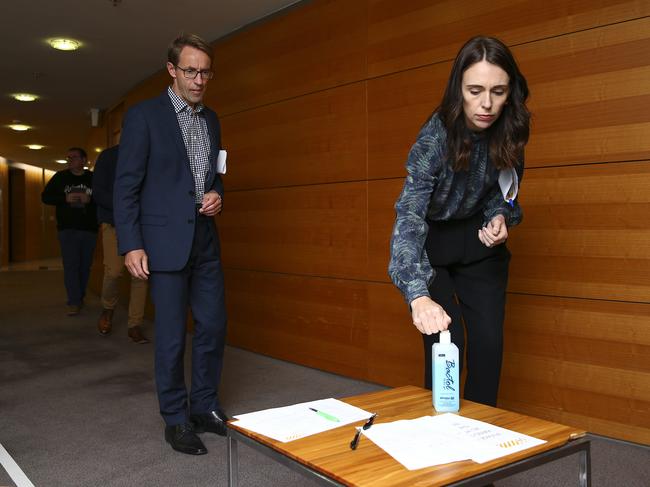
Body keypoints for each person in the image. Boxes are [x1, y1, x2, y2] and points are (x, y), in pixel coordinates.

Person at [388, 36, 530, 407]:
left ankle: (482, 442)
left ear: (509, 92)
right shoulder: (433, 140)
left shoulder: (513, 126)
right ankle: (440, 441)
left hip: (479, 243)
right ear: (458, 90)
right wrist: (417, 295)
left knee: (488, 345)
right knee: (447, 345)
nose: (487, 104)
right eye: (475, 90)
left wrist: (500, 215)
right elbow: (409, 216)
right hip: (432, 242)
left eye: (498, 91)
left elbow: (507, 187)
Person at [114, 33, 228, 456]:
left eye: (205, 72)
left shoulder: (212, 119)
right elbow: (126, 187)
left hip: (205, 238)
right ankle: (176, 419)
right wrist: (131, 243)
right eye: (190, 71)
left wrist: (218, 192)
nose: (199, 80)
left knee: (213, 326)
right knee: (171, 338)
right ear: (171, 70)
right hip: (162, 242)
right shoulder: (145, 117)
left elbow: (214, 172)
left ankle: (204, 406)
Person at [92, 145, 149, 344]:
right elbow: (98, 192)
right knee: (114, 272)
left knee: (140, 275)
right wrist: (127, 207)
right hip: (114, 221)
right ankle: (107, 309)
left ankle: (135, 324)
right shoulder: (109, 156)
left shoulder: (149, 153)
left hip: (144, 224)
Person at [42, 147, 98, 316]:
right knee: (71, 266)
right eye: (68, 157)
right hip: (67, 229)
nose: (70, 160)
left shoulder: (93, 178)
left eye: (74, 157)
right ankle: (74, 301)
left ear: (84, 160)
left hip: (89, 229)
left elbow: (104, 198)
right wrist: (64, 198)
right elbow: (45, 197)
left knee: (85, 266)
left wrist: (91, 199)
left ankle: (79, 296)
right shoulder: (60, 177)